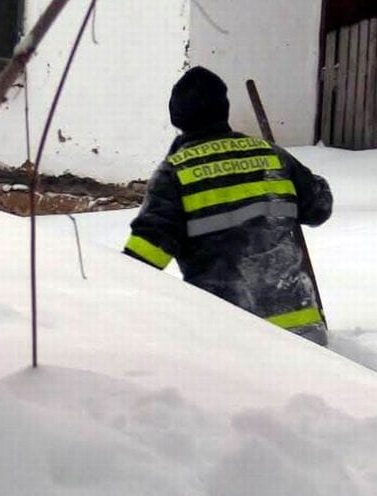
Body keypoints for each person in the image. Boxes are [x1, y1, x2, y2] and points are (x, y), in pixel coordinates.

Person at [123, 66, 333, 345]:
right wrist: (307, 184)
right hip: (302, 329)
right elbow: (319, 208)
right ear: (224, 109)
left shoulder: (176, 174)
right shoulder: (272, 156)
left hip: (231, 337)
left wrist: (112, 293)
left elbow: (145, 257)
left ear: (176, 116)